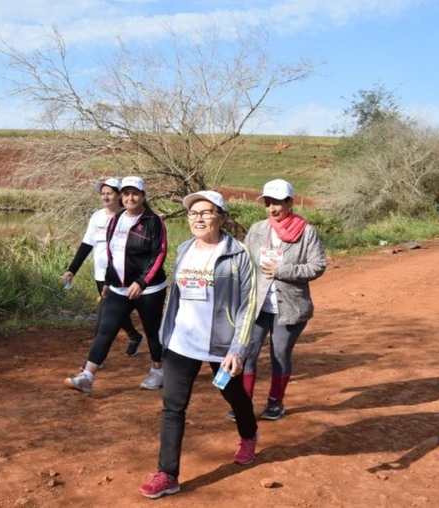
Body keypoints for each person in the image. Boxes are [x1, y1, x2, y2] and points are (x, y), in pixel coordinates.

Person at [139, 190, 258, 500]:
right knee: (173, 407)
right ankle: (167, 474)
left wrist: (238, 348)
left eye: (206, 212)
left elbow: (248, 305)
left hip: (221, 345)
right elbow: (176, 297)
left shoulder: (239, 255)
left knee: (233, 395)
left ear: (221, 216)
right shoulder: (184, 249)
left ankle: (248, 435)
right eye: (193, 213)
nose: (199, 218)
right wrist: (167, 335)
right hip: (183, 341)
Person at [64, 176, 168, 395]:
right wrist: (109, 282)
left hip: (149, 289)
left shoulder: (153, 221)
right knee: (106, 328)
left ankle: (158, 371)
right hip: (118, 288)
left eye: (135, 193)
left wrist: (142, 282)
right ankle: (87, 376)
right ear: (122, 196)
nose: (130, 198)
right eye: (126, 193)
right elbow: (112, 254)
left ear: (143, 196)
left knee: (152, 331)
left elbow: (158, 254)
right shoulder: (116, 218)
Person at [234, 179, 327, 421]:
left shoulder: (307, 233)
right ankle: (243, 403)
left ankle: (276, 402)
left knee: (280, 353)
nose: (272, 208)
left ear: (289, 202)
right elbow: (244, 261)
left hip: (290, 308)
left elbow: (318, 266)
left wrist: (283, 270)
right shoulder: (257, 229)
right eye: (268, 203)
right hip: (257, 305)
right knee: (247, 353)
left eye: (277, 202)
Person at [62, 177, 145, 358]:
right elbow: (86, 245)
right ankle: (134, 336)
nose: (106, 197)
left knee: (104, 318)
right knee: (116, 313)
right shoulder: (97, 216)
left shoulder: (127, 217)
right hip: (101, 276)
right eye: (103, 194)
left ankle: (92, 361)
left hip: (124, 277)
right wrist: (71, 270)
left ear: (119, 195)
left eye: (110, 193)